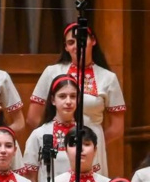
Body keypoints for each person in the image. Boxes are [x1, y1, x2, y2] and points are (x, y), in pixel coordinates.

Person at [27, 23, 125, 157]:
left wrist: (93, 142)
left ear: (93, 41)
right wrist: (50, 140)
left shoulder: (108, 78)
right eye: (71, 42)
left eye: (82, 40)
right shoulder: (51, 72)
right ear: (66, 47)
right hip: (57, 147)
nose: (77, 45)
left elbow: (117, 127)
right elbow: (33, 117)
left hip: (91, 148)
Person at [24, 75, 100, 182]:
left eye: (73, 96)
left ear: (78, 99)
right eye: (62, 96)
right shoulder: (39, 135)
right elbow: (30, 178)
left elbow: (94, 174)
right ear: (53, 100)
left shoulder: (86, 134)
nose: (68, 101)